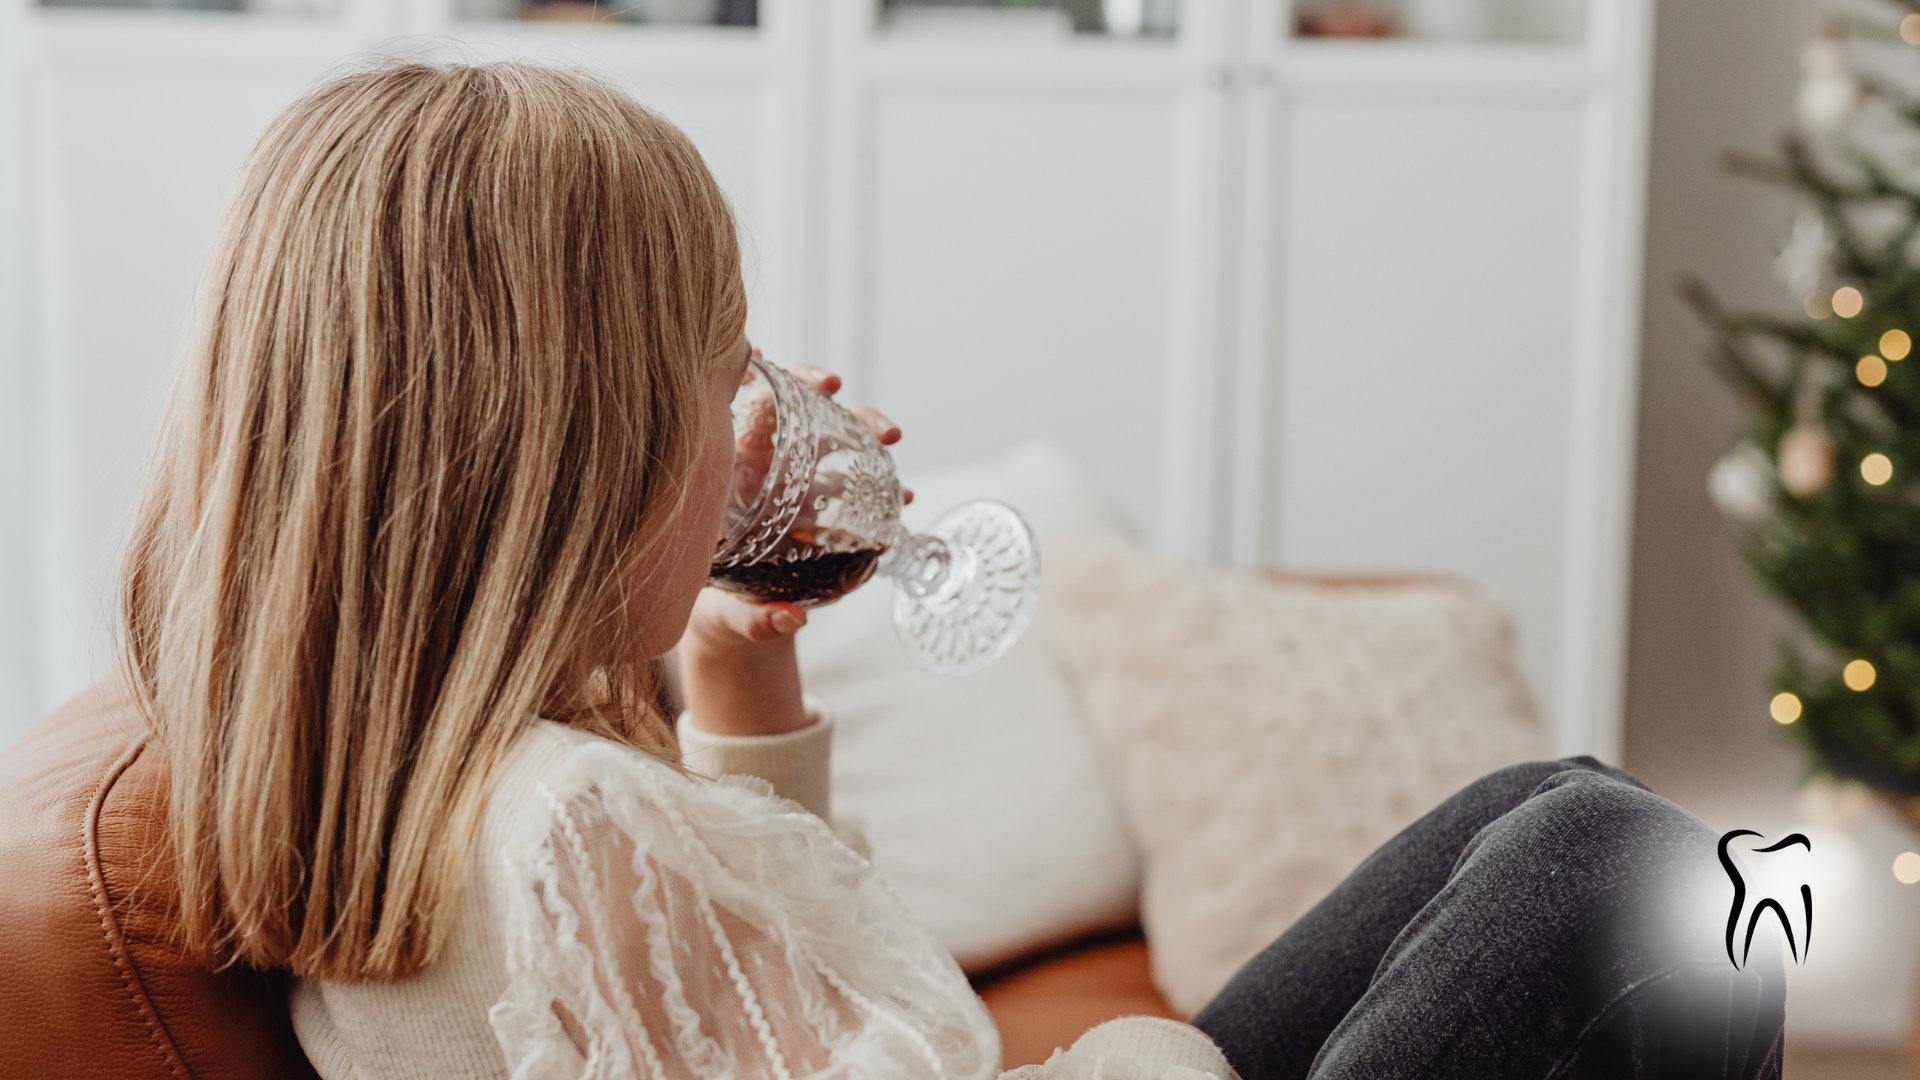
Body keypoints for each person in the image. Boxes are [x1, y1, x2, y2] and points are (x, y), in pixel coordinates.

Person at [118, 61, 1783, 1080]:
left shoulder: (428, 781)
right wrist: (1142, 1053)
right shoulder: (570, 832)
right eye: (720, 366)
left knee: (1544, 802)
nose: (756, 415)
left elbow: (757, 1008)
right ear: (575, 444)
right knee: (1607, 858)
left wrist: (742, 660)